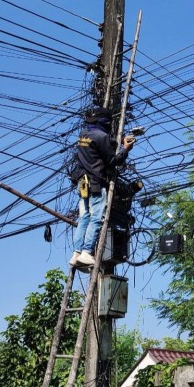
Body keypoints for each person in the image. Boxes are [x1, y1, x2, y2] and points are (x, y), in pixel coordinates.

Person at [68, 106, 135, 267]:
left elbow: (98, 147)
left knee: (84, 217)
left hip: (82, 182)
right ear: (105, 122)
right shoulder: (102, 136)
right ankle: (86, 252)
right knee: (96, 218)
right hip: (96, 183)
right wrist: (125, 149)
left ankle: (76, 253)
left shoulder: (84, 135)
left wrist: (114, 142)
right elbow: (113, 161)